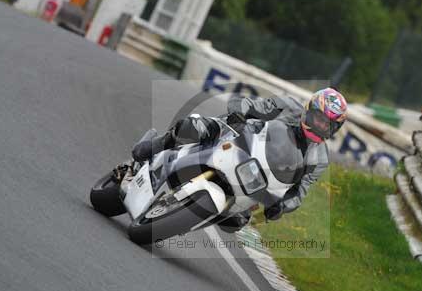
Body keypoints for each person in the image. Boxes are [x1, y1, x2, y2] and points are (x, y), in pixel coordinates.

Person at [132, 87, 348, 231]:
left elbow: (300, 191)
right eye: (319, 119)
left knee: (237, 221)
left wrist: (282, 206)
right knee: (191, 127)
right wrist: (240, 113)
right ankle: (157, 145)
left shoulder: (319, 158)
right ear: (309, 110)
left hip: (255, 173)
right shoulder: (287, 106)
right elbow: (249, 104)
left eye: (327, 124)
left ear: (334, 129)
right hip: (234, 137)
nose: (320, 126)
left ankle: (185, 218)